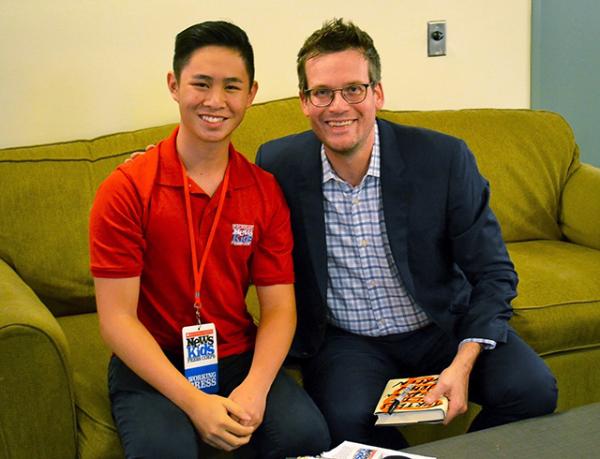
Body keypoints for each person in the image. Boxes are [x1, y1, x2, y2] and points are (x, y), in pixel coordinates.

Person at [255, 18, 558, 449]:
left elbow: (494, 271)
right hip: (348, 341)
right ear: (304, 102)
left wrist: (463, 363)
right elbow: (225, 197)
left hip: (441, 325)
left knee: (533, 389)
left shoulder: (443, 159)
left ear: (377, 93)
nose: (337, 106)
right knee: (341, 423)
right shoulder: (278, 164)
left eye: (353, 89)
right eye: (322, 92)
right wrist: (161, 161)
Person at [89, 21, 329, 458]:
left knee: (306, 437)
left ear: (251, 93)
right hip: (152, 363)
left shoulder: (263, 191)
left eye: (231, 87)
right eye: (201, 84)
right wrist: (195, 403)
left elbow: (279, 309)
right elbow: (116, 319)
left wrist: (255, 389)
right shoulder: (127, 188)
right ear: (174, 85)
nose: (216, 101)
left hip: (236, 355)